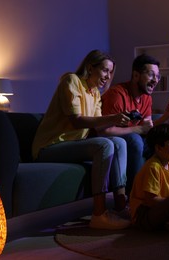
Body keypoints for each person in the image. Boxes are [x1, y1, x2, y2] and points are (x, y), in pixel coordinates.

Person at [32, 50, 132, 230]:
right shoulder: (71, 81)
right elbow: (76, 120)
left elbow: (99, 127)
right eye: (104, 70)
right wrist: (112, 118)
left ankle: (120, 207)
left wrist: (125, 123)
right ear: (90, 67)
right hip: (50, 146)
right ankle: (99, 214)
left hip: (72, 145)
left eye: (110, 72)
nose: (107, 76)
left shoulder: (95, 94)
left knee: (120, 143)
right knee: (104, 145)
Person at [99, 54, 169, 195]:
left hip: (133, 135)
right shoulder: (117, 95)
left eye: (158, 76)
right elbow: (105, 130)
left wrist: (166, 116)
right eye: (151, 75)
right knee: (135, 140)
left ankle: (167, 190)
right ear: (136, 75)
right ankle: (135, 196)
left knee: (168, 142)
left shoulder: (146, 97)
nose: (155, 80)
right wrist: (137, 129)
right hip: (112, 138)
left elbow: (148, 127)